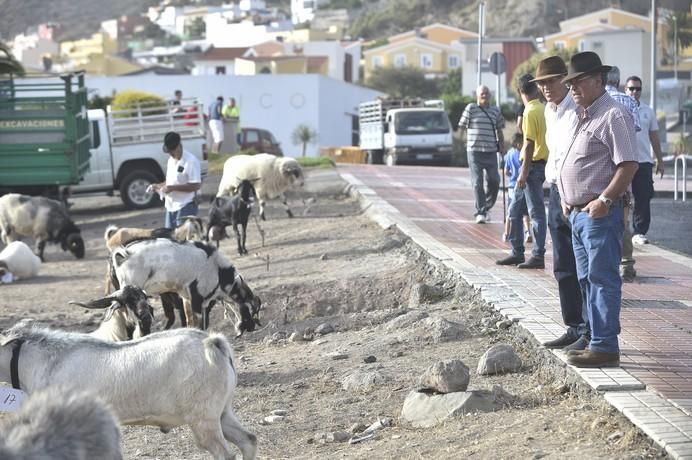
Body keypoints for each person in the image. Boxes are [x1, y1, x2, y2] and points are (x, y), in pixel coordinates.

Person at [560, 51, 639, 368]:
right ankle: (596, 340)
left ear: (598, 80)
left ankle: (605, 346)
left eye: (578, 82)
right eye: (571, 83)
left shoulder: (613, 115)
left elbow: (629, 164)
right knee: (587, 281)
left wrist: (604, 200)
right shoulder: (586, 115)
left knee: (602, 279)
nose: (573, 88)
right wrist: (569, 196)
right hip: (578, 214)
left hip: (599, 215)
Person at [531, 55, 589, 351]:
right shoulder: (548, 112)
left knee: (585, 267)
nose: (546, 88)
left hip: (577, 194)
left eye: (551, 81)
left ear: (564, 80)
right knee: (563, 265)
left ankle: (589, 330)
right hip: (555, 191)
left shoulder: (578, 109)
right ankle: (573, 325)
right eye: (541, 83)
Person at [496, 74, 548, 269]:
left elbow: (528, 145)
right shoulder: (544, 109)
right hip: (538, 165)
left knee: (535, 213)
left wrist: (523, 172)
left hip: (531, 167)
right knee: (515, 210)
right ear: (537, 89)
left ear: (520, 92)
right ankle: (517, 252)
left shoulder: (529, 112)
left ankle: (538, 255)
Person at [606, 66, 641, 283]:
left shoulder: (595, 98)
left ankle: (606, 262)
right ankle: (626, 262)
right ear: (619, 82)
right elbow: (635, 129)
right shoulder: (629, 102)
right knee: (624, 214)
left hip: (599, 168)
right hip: (624, 164)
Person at [625, 75, 664, 246]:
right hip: (624, 161)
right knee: (622, 197)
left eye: (638, 88)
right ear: (625, 90)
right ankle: (623, 228)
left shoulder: (648, 111)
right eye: (631, 88)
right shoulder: (619, 109)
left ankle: (639, 231)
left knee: (643, 197)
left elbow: (654, 137)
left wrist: (660, 160)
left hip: (643, 162)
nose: (634, 92)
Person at [458, 85, 505, 223]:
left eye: (486, 93)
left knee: (495, 181)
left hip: (490, 151)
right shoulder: (471, 108)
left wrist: (502, 145)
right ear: (477, 96)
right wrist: (460, 143)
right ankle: (481, 211)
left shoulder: (495, 111)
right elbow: (461, 126)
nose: (484, 96)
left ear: (490, 95)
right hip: (474, 151)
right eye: (482, 94)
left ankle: (487, 206)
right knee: (477, 183)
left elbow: (500, 130)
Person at [152, 131, 202, 229]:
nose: (171, 153)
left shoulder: (191, 161)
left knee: (182, 238)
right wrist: (158, 186)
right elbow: (171, 181)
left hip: (186, 205)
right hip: (171, 206)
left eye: (172, 150)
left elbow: (196, 185)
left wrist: (173, 188)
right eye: (169, 151)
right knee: (170, 237)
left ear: (179, 145)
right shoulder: (170, 160)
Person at [502, 133, 532, 243]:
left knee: (510, 211)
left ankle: (506, 233)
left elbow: (506, 171)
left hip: (511, 185)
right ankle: (528, 231)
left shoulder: (509, 154)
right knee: (524, 211)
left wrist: (512, 176)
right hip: (522, 185)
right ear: (519, 144)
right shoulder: (523, 155)